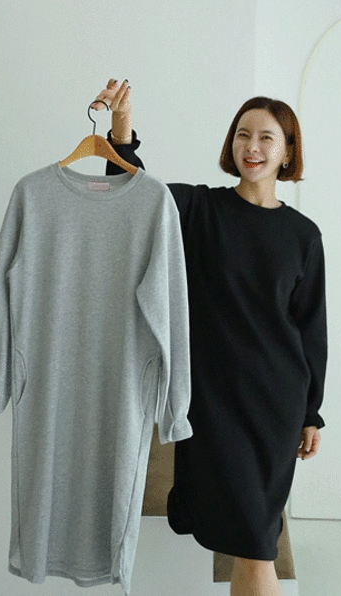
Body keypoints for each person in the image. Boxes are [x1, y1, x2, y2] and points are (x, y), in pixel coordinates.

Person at [92, 79, 327, 596]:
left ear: (288, 151)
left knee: (256, 547)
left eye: (266, 137)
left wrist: (311, 411)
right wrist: (122, 128)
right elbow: (131, 196)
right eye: (243, 135)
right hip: (213, 403)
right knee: (250, 544)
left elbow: (311, 330)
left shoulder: (304, 235)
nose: (252, 147)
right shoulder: (198, 210)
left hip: (274, 406)